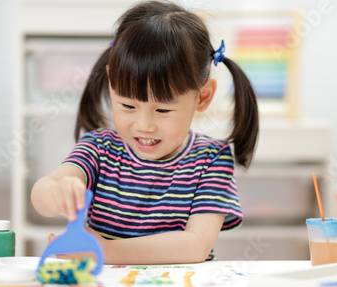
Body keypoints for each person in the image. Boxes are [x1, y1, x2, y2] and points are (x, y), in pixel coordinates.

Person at [31, 0, 259, 264]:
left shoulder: (211, 159)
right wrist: (57, 193)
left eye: (162, 110)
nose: (144, 125)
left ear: (203, 96)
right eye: (128, 105)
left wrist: (104, 250)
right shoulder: (98, 149)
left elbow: (195, 245)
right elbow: (41, 195)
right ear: (111, 83)